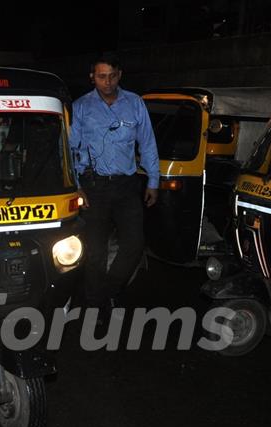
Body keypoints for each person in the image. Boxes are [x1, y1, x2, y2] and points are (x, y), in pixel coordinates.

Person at [70, 53, 159, 314]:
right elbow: (70, 148)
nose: (107, 82)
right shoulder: (81, 107)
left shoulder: (135, 103)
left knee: (134, 244)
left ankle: (106, 292)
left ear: (119, 75)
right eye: (101, 76)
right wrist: (76, 186)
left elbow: (148, 143)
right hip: (93, 186)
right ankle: (96, 305)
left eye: (111, 76)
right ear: (92, 78)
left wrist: (153, 181)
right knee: (95, 251)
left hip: (126, 185)